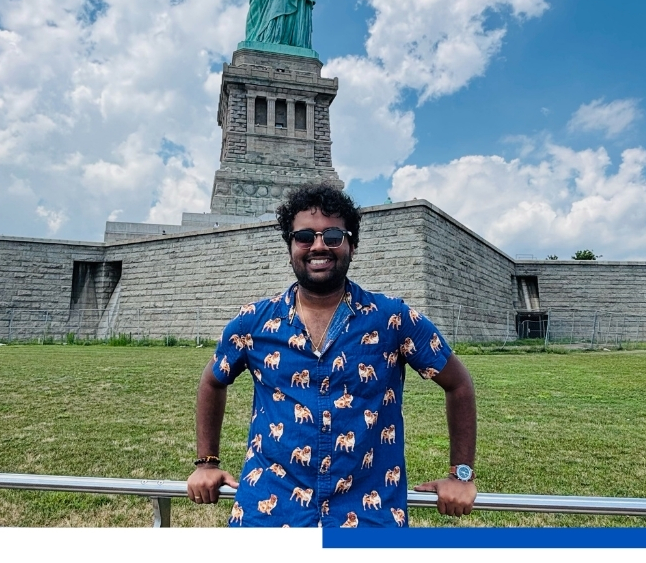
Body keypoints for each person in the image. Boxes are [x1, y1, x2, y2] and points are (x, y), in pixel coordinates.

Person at [186, 183, 478, 528]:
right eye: (305, 236)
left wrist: (461, 474)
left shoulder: (392, 320)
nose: (319, 246)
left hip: (367, 515)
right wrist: (206, 462)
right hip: (270, 511)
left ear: (352, 245)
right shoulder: (253, 322)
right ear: (291, 246)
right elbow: (212, 380)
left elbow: (458, 384)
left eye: (333, 236)